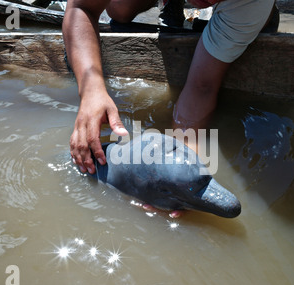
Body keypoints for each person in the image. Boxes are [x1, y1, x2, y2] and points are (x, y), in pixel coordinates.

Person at [63, 0, 278, 215]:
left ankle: (247, 19)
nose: (207, 0)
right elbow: (81, 7)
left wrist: (187, 155)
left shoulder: (251, 3)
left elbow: (202, 85)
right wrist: (91, 92)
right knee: (118, 11)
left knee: (248, 23)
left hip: (244, 9)